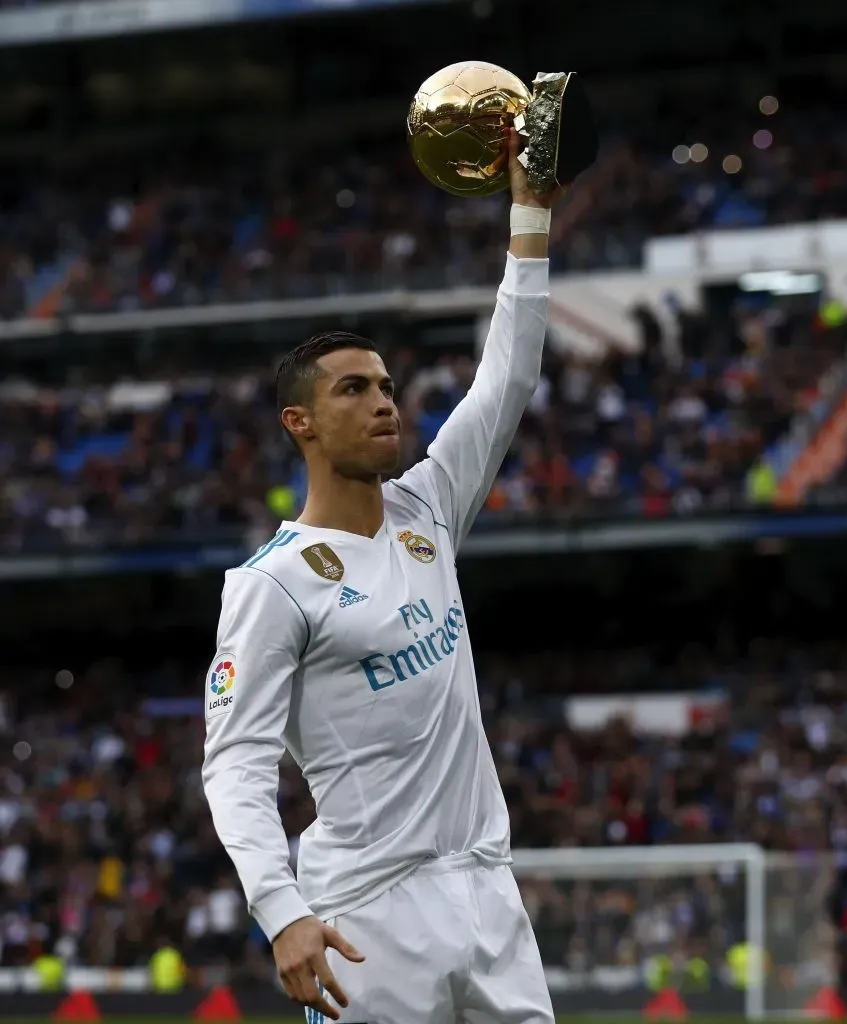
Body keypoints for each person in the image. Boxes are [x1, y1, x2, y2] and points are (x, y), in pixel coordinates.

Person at [202, 129, 564, 1024]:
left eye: (387, 385)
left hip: (487, 894)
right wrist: (280, 910)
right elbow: (236, 765)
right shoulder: (272, 583)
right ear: (301, 423)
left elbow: (506, 379)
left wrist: (531, 215)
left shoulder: (428, 508)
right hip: (368, 915)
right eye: (354, 390)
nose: (384, 402)